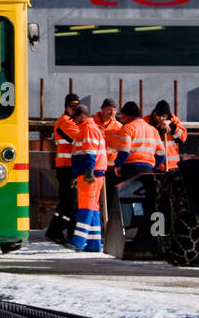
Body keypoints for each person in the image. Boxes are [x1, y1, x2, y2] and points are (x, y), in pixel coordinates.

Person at [69, 104, 108, 253]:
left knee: (86, 207)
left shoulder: (88, 129)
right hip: (93, 173)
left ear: (82, 116)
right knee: (93, 207)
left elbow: (90, 152)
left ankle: (78, 242)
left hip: (89, 174)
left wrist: (89, 172)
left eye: (75, 117)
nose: (74, 120)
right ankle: (94, 243)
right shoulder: (91, 128)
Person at [45, 93, 81, 245]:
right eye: (72, 106)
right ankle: (56, 231)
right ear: (66, 107)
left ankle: (55, 230)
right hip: (67, 167)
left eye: (76, 107)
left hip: (69, 166)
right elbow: (79, 139)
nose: (74, 109)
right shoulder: (65, 122)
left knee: (67, 202)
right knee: (69, 202)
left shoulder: (71, 121)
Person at [113, 101, 164, 181]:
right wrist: (153, 168)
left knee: (127, 193)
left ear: (126, 115)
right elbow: (161, 155)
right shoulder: (153, 130)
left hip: (131, 170)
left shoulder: (127, 128)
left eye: (122, 115)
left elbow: (124, 152)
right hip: (148, 170)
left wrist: (117, 165)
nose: (122, 118)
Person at [147, 100, 188, 172]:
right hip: (153, 164)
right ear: (154, 113)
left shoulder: (174, 120)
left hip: (171, 165)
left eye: (164, 116)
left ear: (168, 115)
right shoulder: (147, 120)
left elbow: (183, 138)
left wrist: (172, 126)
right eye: (159, 115)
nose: (161, 118)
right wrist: (159, 128)